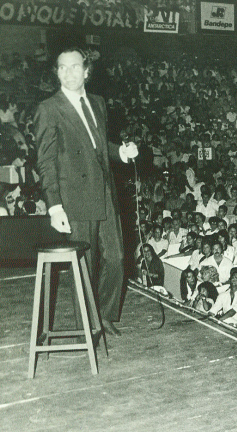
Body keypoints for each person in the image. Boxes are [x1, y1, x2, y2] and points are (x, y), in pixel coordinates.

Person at [35, 47, 139, 336]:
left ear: (86, 71)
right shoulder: (48, 108)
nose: (69, 73)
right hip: (75, 197)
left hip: (104, 192)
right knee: (85, 265)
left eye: (75, 66)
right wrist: (54, 206)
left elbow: (99, 146)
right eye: (62, 68)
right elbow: (45, 161)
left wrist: (122, 152)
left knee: (117, 259)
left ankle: (104, 315)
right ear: (56, 73)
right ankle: (87, 326)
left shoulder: (97, 102)